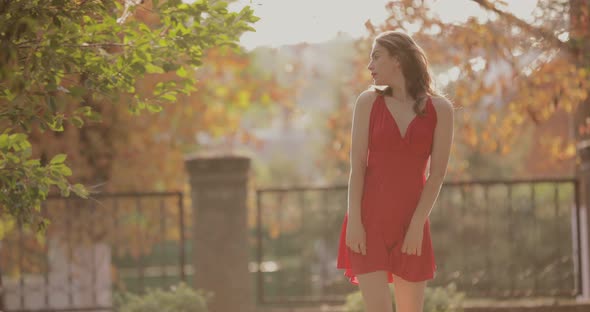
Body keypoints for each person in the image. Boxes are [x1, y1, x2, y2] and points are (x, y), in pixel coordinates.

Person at [336, 30, 455, 312]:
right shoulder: (367, 102)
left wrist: (416, 225)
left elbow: (437, 174)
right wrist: (354, 220)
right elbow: (358, 166)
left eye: (376, 57)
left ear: (398, 59)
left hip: (411, 224)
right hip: (367, 222)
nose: (370, 66)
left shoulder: (441, 109)